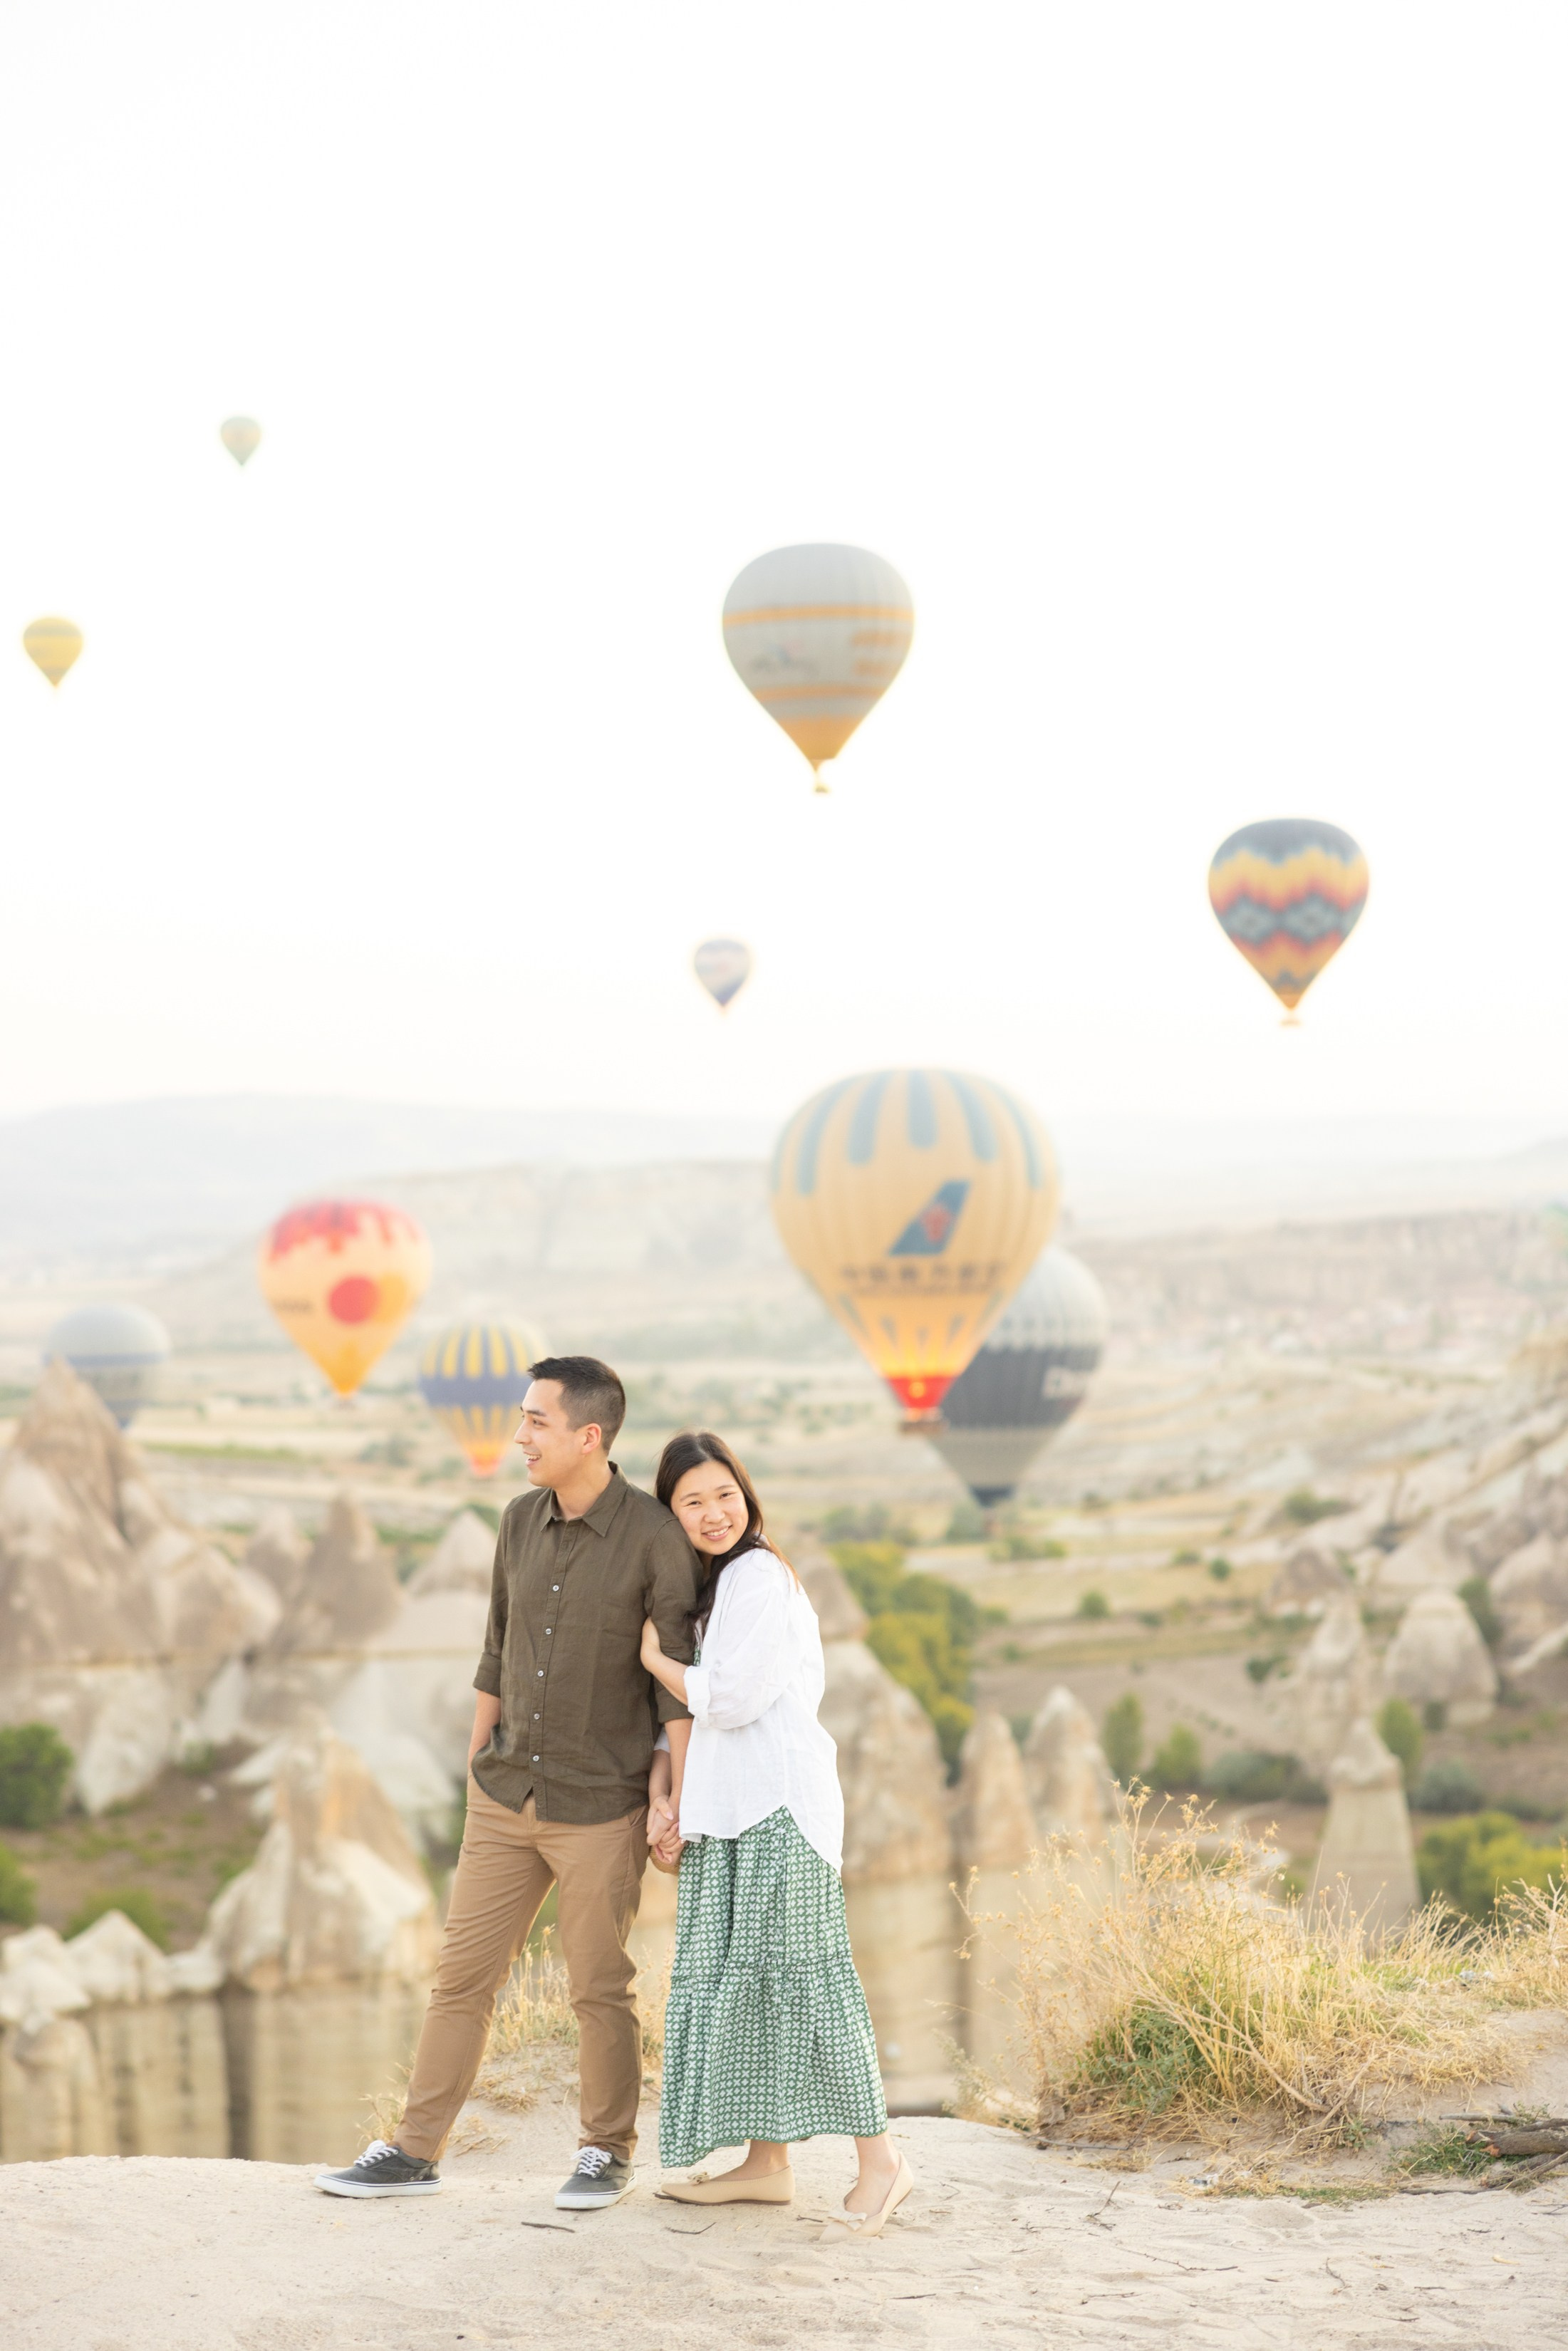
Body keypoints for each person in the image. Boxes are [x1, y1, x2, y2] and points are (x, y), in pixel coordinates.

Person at [316, 1356, 700, 2211]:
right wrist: (478, 1748)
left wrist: (675, 1795)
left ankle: (605, 2151)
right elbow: (497, 1640)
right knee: (461, 1978)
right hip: (503, 1794)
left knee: (598, 1986)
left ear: (588, 1435)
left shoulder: (653, 1537)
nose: (518, 1436)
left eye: (535, 1421)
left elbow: (673, 1675)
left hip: (601, 1802)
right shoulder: (518, 1520)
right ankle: (413, 2152)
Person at [640, 1430, 915, 2242]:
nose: (713, 1512)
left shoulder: (758, 1576)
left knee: (803, 1982)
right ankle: (765, 2167)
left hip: (779, 1813)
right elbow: (684, 1726)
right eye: (691, 1501)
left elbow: (725, 1698)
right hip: (731, 1814)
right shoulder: (717, 1590)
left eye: (725, 1493)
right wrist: (667, 1797)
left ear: (747, 1494)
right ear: (670, 1516)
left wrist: (651, 1657)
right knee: (751, 1986)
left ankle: (883, 2162)